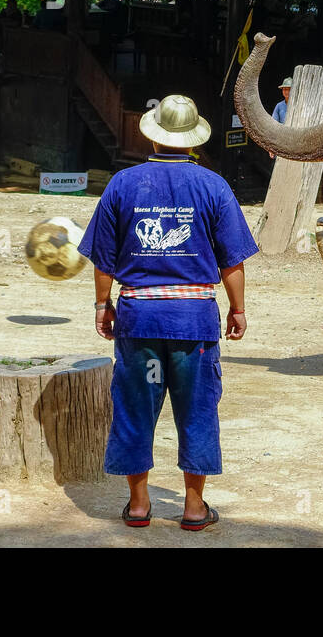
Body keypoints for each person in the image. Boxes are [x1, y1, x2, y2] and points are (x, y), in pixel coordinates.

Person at [78, 94, 258, 531]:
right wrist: (238, 309)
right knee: (197, 410)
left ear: (152, 135)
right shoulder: (214, 186)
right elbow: (231, 262)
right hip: (193, 321)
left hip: (139, 318)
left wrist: (103, 305)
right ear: (193, 141)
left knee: (134, 408)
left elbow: (104, 258)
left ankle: (138, 505)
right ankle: (194, 508)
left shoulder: (123, 184)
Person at [268, 77, 292, 159]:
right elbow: (273, 127)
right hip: (282, 142)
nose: (286, 91)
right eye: (284, 89)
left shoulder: (299, 105)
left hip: (295, 142)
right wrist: (271, 147)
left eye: (289, 89)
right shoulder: (279, 106)